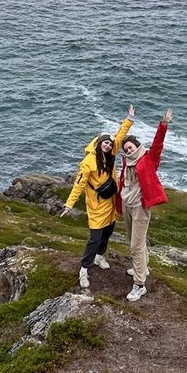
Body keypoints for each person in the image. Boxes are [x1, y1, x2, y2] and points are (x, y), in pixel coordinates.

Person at [61, 105, 134, 289]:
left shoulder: (111, 155)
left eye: (109, 144)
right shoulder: (88, 162)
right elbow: (79, 184)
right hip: (96, 206)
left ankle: (100, 257)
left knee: (108, 233)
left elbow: (118, 137)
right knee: (94, 238)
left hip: (110, 203)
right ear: (98, 142)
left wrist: (129, 119)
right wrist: (69, 204)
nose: (108, 145)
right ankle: (84, 269)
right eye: (105, 143)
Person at [117, 108, 172, 302]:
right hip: (126, 205)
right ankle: (143, 269)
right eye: (126, 149)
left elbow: (158, 145)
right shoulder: (126, 162)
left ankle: (139, 284)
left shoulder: (148, 159)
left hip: (140, 207)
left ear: (137, 146)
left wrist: (163, 124)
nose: (129, 150)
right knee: (136, 242)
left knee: (135, 246)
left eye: (131, 147)